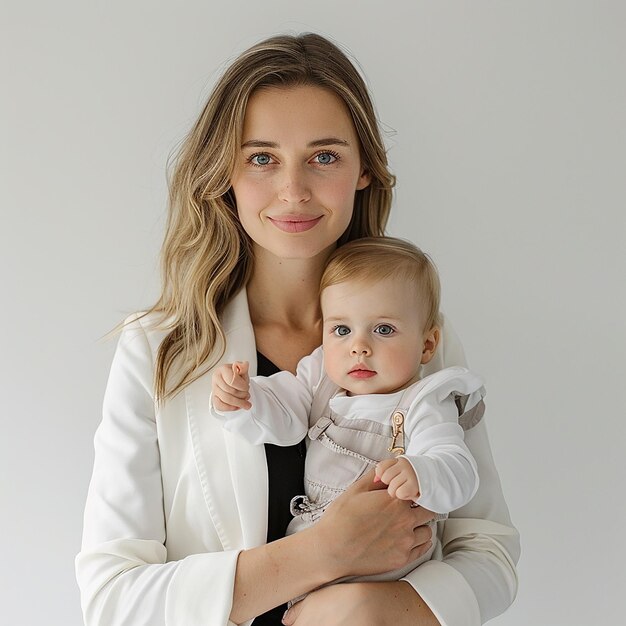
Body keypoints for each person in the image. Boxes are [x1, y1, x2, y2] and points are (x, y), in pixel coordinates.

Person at [76, 33, 519, 626]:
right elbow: (110, 600)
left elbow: (487, 551)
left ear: (364, 169)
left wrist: (368, 606)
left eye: (324, 156)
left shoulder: (418, 337)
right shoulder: (158, 351)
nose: (294, 189)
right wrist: (321, 553)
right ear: (224, 174)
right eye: (262, 157)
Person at [210, 237, 485, 587]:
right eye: (341, 330)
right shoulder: (320, 376)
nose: (359, 347)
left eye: (383, 329)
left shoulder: (423, 403)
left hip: (389, 578)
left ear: (427, 344)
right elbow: (284, 418)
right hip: (312, 566)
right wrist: (245, 397)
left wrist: (423, 472)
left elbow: (458, 468)